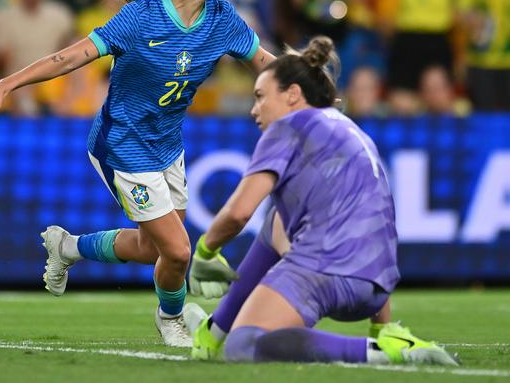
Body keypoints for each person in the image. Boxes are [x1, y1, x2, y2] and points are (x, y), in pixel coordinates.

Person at [0, 0, 276, 347]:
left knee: (154, 249)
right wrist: (5, 85)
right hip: (122, 146)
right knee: (179, 252)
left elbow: (265, 63)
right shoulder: (141, 17)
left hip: (167, 145)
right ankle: (172, 319)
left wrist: (307, 88)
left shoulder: (221, 19)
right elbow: (69, 56)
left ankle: (68, 247)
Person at [184, 36, 458, 365]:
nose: (254, 109)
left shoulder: (287, 127)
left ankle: (376, 353)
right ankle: (213, 333)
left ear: (293, 95)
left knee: (244, 346)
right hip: (376, 289)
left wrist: (205, 252)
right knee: (276, 220)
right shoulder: (351, 129)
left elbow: (239, 212)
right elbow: (371, 220)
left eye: (260, 97)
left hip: (326, 271)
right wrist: (380, 323)